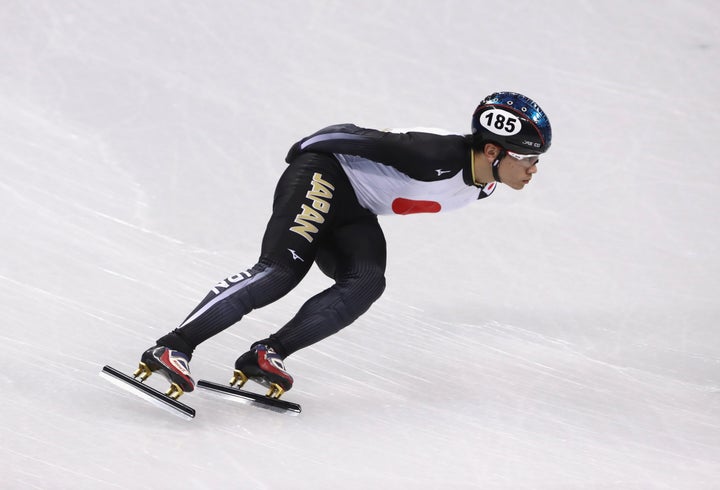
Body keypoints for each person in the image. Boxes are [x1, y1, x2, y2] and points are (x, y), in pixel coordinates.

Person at [133, 91, 553, 400]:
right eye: (528, 158)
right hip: (324, 174)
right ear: (494, 150)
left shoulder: (483, 186)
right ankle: (173, 345)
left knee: (367, 282)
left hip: (355, 207)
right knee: (282, 271)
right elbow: (354, 136)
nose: (533, 169)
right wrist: (303, 149)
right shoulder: (436, 154)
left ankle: (267, 354)